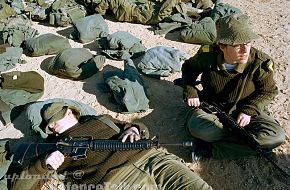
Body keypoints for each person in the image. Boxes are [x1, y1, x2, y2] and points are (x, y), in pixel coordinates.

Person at [12, 102, 212, 190]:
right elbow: (21, 187)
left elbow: (138, 127)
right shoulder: (53, 147)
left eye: (56, 119)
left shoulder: (101, 119)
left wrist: (134, 129)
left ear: (70, 112)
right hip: (116, 181)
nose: (54, 126)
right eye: (51, 125)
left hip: (152, 159)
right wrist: (42, 166)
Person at [181, 13, 285, 161]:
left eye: (248, 43)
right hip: (213, 108)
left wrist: (249, 110)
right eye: (237, 45)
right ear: (222, 45)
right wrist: (190, 90)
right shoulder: (208, 55)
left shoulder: (260, 62)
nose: (245, 50)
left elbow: (268, 91)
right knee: (199, 127)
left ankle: (211, 149)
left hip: (247, 112)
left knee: (276, 137)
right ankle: (249, 145)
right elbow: (189, 68)